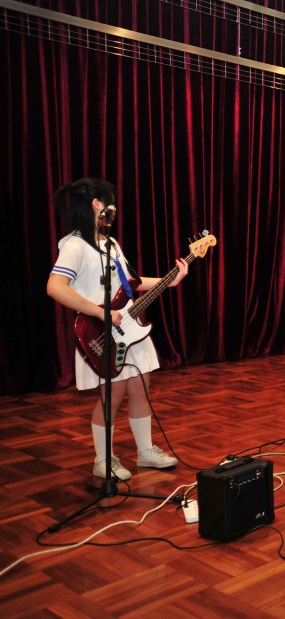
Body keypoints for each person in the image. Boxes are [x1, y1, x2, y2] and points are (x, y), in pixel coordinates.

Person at [46, 178, 187, 481]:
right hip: (99, 331)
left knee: (140, 387)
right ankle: (103, 459)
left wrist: (169, 280)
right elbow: (55, 286)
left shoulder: (111, 243)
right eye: (110, 201)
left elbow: (130, 285)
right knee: (113, 394)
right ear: (97, 204)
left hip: (129, 329)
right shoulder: (74, 245)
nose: (116, 207)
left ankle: (145, 451)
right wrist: (100, 312)